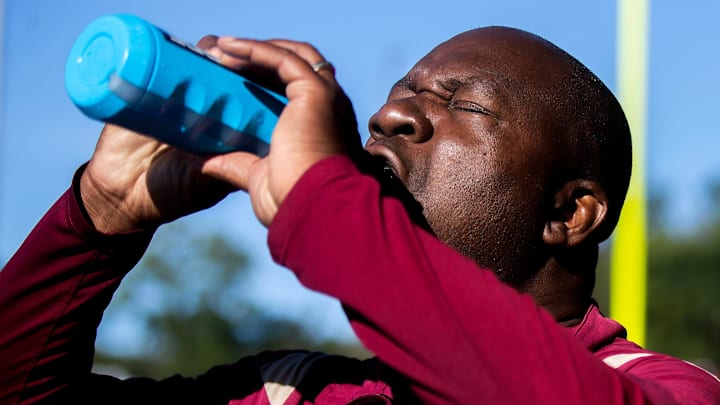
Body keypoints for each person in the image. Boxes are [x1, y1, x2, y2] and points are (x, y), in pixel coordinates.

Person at [1, 26, 718, 404]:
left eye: (463, 106)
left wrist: (326, 210)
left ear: (570, 212)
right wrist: (93, 222)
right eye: (401, 94)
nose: (388, 114)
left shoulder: (667, 388)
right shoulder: (293, 391)